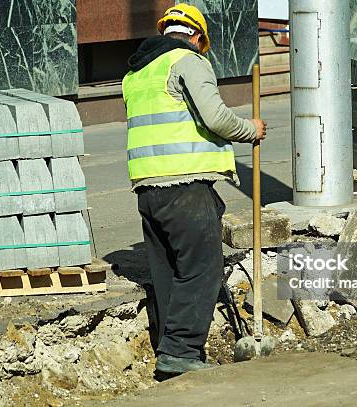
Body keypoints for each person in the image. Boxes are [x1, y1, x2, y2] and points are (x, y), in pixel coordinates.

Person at [122, 3, 267, 374]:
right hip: (184, 184)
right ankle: (182, 352)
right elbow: (215, 116)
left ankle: (169, 352)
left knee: (168, 271)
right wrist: (251, 129)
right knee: (203, 267)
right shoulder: (188, 61)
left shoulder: (136, 74)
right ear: (198, 37)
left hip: (147, 189)